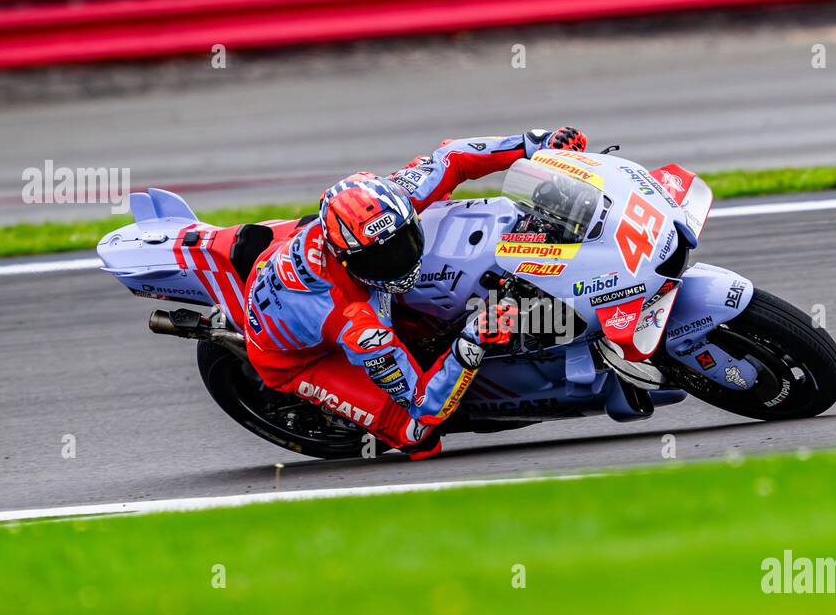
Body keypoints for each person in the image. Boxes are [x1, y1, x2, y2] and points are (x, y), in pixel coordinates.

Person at [243, 127, 589, 459]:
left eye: (404, 242)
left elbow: (453, 158)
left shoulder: (388, 203)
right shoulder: (358, 325)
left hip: (297, 261)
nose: (401, 262)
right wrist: (473, 339)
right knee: (417, 435)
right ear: (348, 260)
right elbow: (425, 405)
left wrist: (536, 145)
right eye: (381, 259)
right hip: (295, 358)